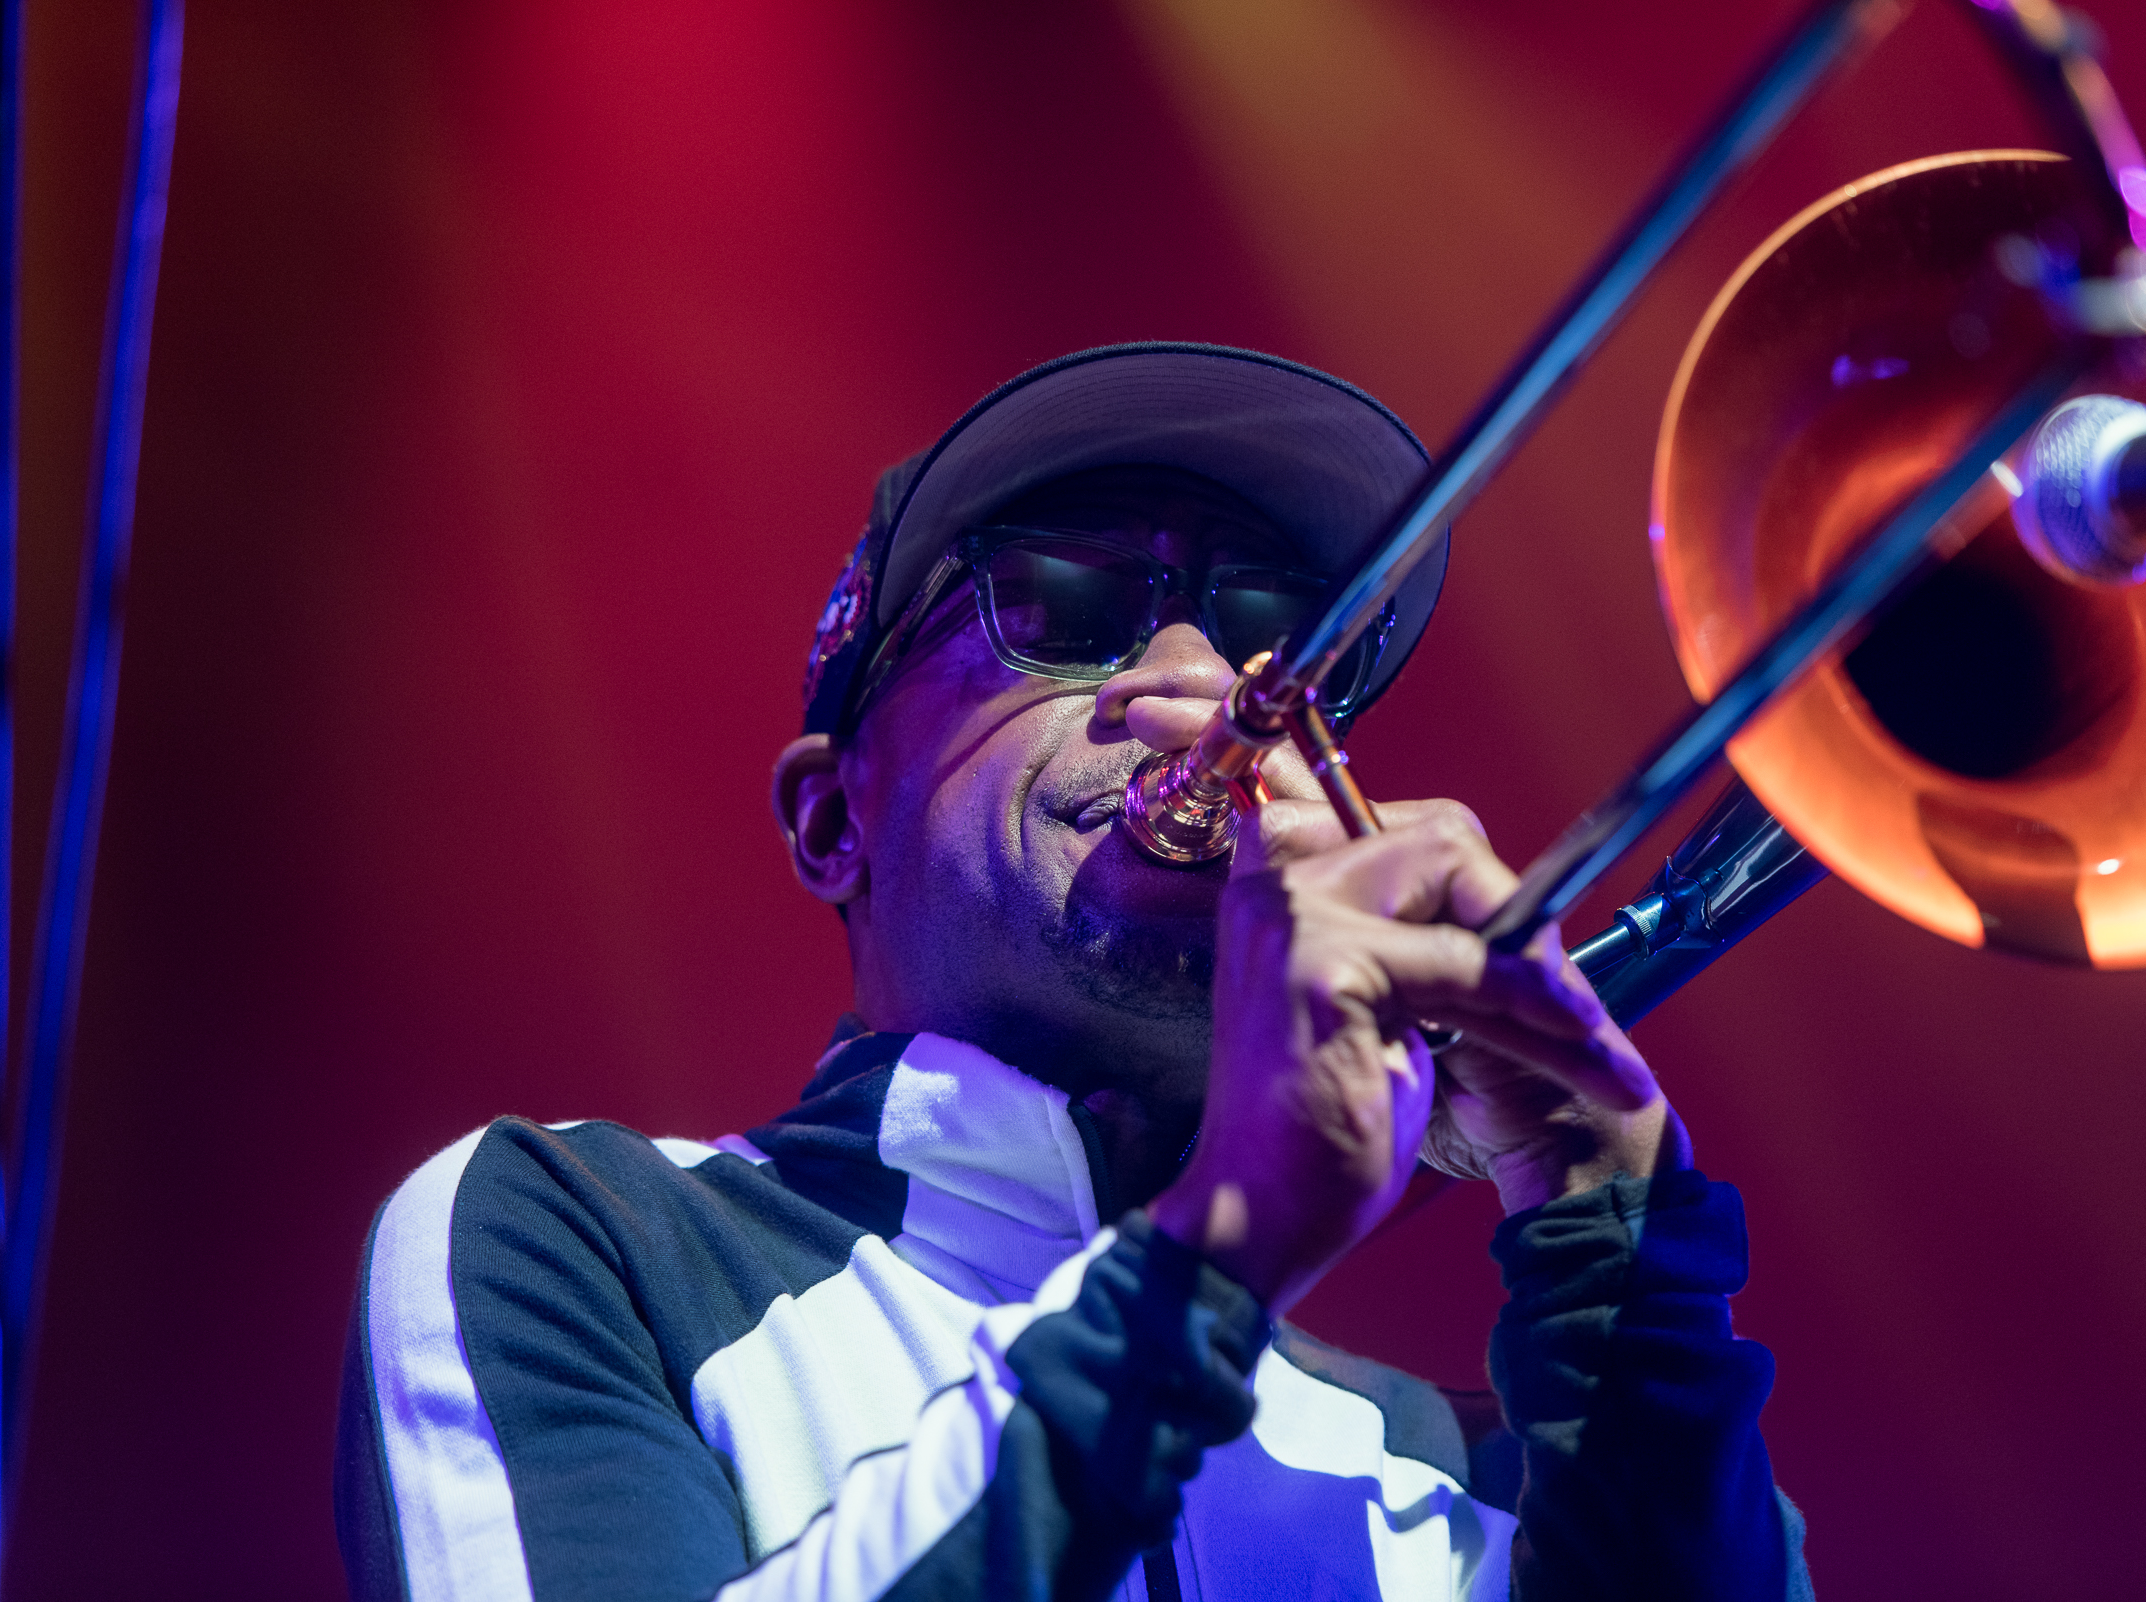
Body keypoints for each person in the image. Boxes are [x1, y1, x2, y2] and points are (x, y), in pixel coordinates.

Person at [335, 343, 1813, 1601]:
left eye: (1273, 634)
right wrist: (1211, 1250)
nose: (1206, 687)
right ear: (835, 815)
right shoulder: (590, 1238)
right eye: (1057, 603)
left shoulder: (1467, 1467)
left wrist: (1615, 1248)